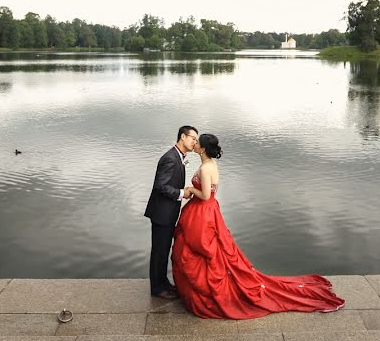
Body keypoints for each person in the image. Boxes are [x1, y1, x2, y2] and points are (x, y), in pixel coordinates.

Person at [172, 133, 345, 319]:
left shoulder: (206, 168)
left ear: (204, 148)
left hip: (203, 212)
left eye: (197, 142)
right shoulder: (210, 164)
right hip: (207, 211)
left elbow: (205, 196)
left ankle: (207, 293)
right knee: (208, 252)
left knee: (201, 251)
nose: (194, 143)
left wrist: (190, 190)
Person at [144, 125, 198, 299]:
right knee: (159, 251)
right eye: (192, 138)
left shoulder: (178, 156)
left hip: (167, 213)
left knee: (164, 249)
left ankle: (163, 282)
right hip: (161, 214)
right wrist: (182, 193)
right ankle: (157, 288)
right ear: (183, 136)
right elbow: (161, 186)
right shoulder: (170, 158)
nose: (194, 142)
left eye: (196, 140)